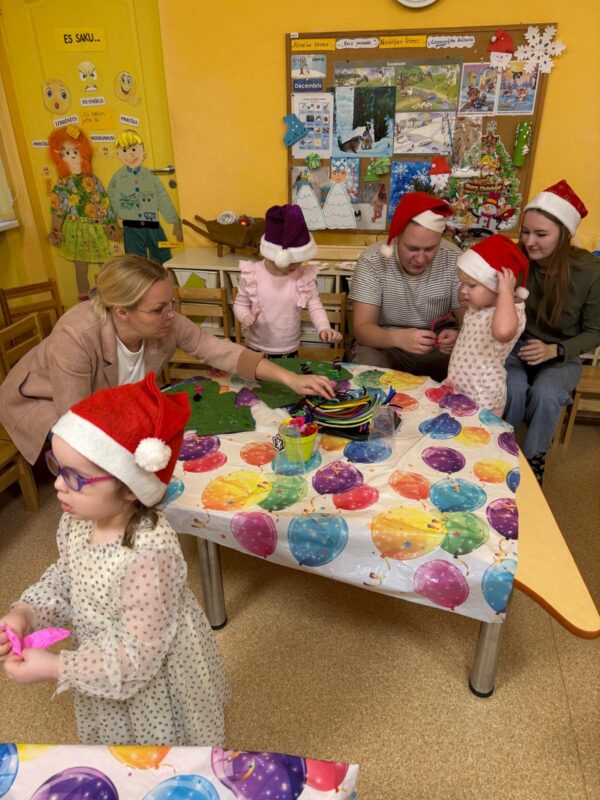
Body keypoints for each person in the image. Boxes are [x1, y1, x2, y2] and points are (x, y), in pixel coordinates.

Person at [0, 373, 229, 745]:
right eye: (57, 467)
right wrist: (26, 614)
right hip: (100, 659)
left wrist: (57, 666)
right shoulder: (77, 520)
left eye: (74, 477)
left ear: (129, 487)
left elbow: (137, 656)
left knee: (160, 749)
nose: (57, 484)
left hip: (147, 672)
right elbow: (66, 577)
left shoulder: (148, 556)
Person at [0, 254, 336, 466]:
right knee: (105, 465)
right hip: (41, 403)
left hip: (109, 402)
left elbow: (219, 350)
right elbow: (76, 419)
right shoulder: (76, 334)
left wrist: (291, 379)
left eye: (170, 304)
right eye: (159, 309)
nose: (170, 315)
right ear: (122, 312)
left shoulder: (164, 321)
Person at [504, 179, 600, 483]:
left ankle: (534, 457)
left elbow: (595, 331)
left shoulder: (589, 272)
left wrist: (556, 350)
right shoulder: (517, 260)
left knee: (547, 392)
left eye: (541, 234)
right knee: (512, 387)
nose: (530, 241)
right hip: (517, 347)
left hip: (561, 353)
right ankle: (502, 450)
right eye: (525, 232)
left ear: (564, 234)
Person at [349, 191, 464, 382]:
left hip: (437, 347)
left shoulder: (454, 258)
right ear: (396, 238)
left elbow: (469, 322)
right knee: (366, 363)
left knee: (470, 362)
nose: (420, 259)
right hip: (386, 345)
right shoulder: (372, 261)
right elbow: (362, 330)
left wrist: (458, 335)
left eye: (430, 249)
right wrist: (398, 338)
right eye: (412, 248)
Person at [232, 204, 342, 358]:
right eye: (292, 263)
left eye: (300, 261)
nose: (297, 266)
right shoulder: (252, 274)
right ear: (275, 256)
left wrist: (324, 327)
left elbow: (315, 306)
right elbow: (240, 304)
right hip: (255, 348)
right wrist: (245, 316)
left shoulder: (303, 275)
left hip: (289, 350)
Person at [446, 234, 528, 415]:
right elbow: (462, 302)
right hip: (459, 386)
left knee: (477, 433)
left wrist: (506, 292)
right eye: (462, 283)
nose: (463, 290)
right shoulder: (479, 305)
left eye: (471, 285)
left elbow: (502, 332)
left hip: (483, 396)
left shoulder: (511, 312)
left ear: (497, 287)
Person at [47, 125, 122, 299]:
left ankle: (112, 296)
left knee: (105, 264)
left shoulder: (93, 180)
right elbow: (58, 209)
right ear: (60, 157)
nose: (72, 156)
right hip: (75, 230)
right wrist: (55, 230)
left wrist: (111, 225)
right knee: (80, 268)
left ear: (83, 153)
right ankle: (84, 302)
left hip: (95, 227)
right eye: (66, 153)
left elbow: (103, 203)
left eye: (76, 151)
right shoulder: (62, 183)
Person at [107, 129, 183, 264]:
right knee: (135, 262)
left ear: (143, 152)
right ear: (118, 155)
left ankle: (164, 277)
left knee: (162, 257)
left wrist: (174, 220)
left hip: (153, 225)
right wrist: (112, 222)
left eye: (134, 149)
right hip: (131, 227)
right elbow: (112, 200)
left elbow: (162, 197)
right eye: (124, 151)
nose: (131, 154)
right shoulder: (117, 178)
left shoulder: (150, 176)